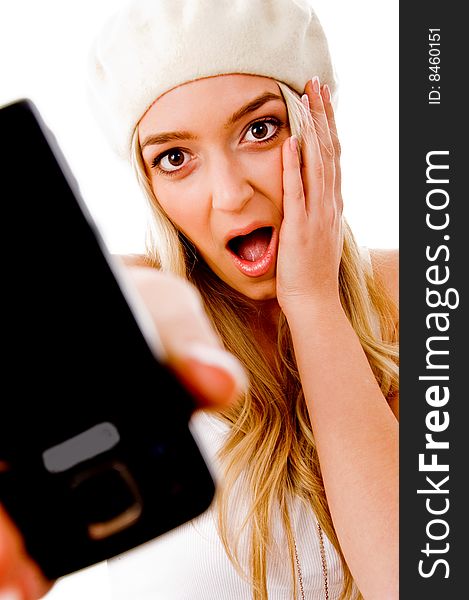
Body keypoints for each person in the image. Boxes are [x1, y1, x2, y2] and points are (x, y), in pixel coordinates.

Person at [0, 0, 399, 598]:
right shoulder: (128, 309)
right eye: (175, 158)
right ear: (149, 185)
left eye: (260, 129)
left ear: (318, 128)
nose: (231, 195)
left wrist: (313, 302)